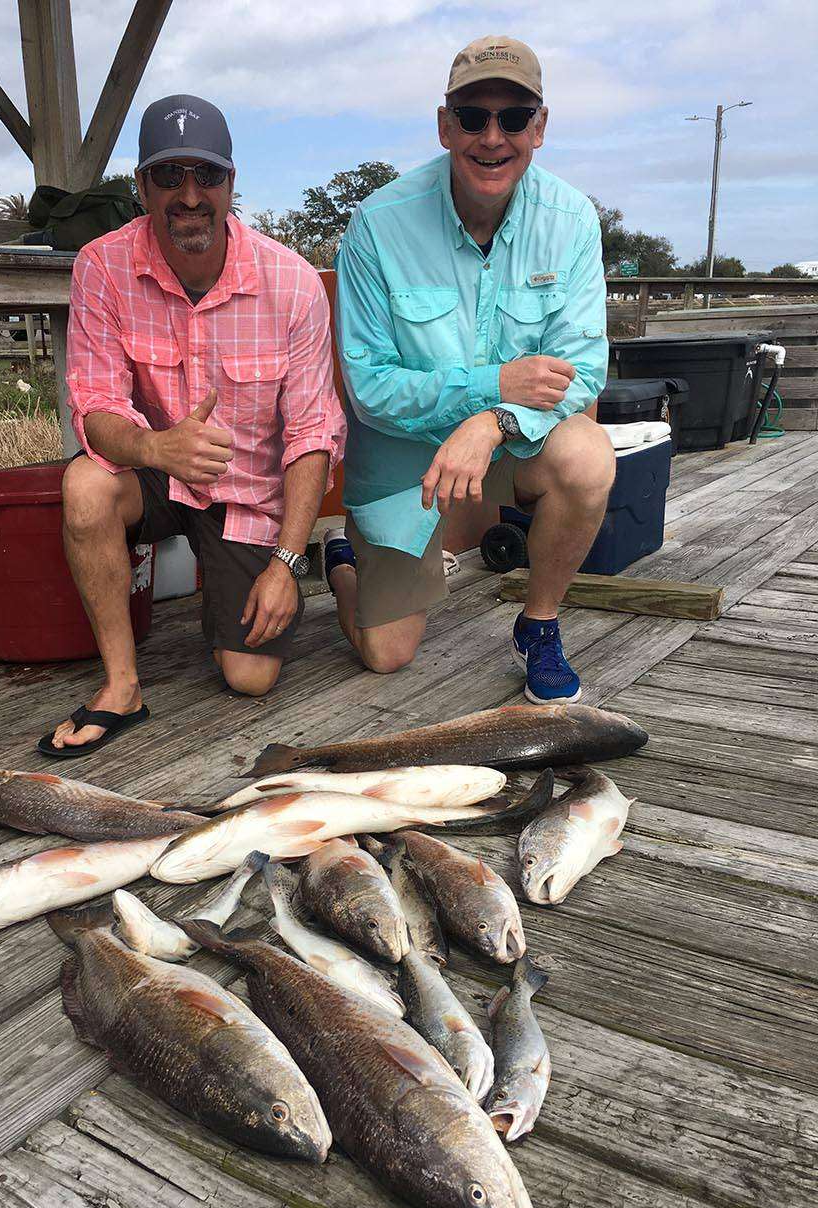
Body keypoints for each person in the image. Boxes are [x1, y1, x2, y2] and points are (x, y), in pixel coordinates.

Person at [39, 95, 345, 756]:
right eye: (169, 175)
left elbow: (312, 431)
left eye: (206, 175)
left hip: (244, 493)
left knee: (251, 676)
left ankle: (271, 580)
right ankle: (121, 686)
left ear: (232, 184)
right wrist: (156, 446)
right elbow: (94, 407)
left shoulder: (291, 283)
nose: (189, 195)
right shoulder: (101, 266)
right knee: (85, 486)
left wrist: (289, 564)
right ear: (142, 186)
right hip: (152, 468)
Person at [327, 36, 615, 703]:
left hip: (506, 446)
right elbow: (368, 388)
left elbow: (585, 369)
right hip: (407, 466)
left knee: (590, 454)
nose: (493, 136)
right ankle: (345, 562)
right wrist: (494, 386)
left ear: (539, 127)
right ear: (444, 124)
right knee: (385, 655)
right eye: (472, 116)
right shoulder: (375, 225)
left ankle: (539, 624)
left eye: (513, 118)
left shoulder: (572, 220)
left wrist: (492, 420)